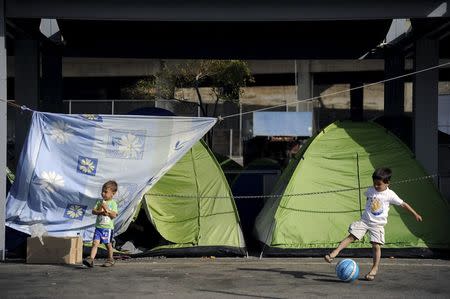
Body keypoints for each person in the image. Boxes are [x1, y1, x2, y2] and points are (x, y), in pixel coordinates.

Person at [324, 167, 422, 281]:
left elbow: (403, 204)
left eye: (378, 184)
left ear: (387, 183)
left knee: (376, 246)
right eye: (374, 183)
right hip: (365, 221)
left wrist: (415, 214)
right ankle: (334, 253)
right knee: (351, 236)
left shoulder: (390, 194)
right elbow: (368, 199)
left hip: (377, 225)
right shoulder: (370, 190)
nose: (375, 186)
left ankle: (374, 268)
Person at [83, 180, 119, 268]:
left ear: (112, 193)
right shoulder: (99, 202)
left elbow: (114, 215)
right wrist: (100, 211)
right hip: (98, 227)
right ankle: (91, 259)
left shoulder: (113, 203)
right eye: (102, 191)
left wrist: (108, 210)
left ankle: (110, 259)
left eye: (105, 192)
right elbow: (93, 211)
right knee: (95, 243)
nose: (103, 193)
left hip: (107, 228)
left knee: (108, 244)